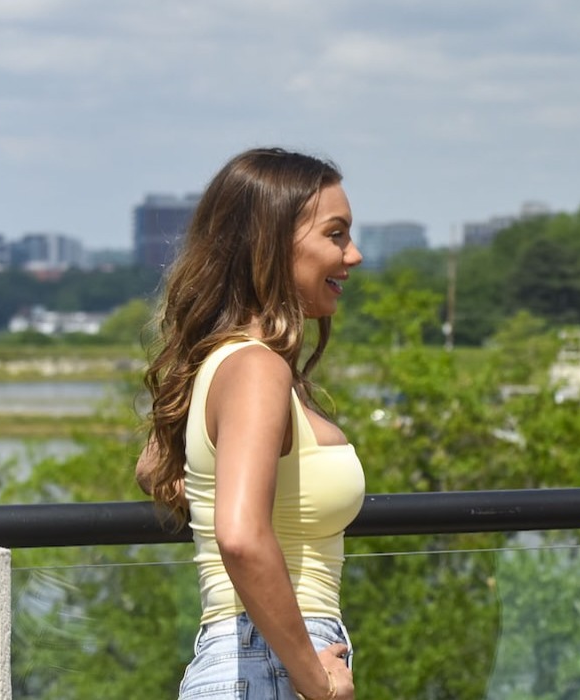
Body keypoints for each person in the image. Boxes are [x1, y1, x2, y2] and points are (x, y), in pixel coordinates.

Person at [135, 147, 364, 700]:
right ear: (272, 244)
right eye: (336, 234)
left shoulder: (227, 362)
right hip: (269, 667)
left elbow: (153, 468)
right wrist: (316, 682)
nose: (353, 256)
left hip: (253, 662)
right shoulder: (257, 368)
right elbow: (239, 537)